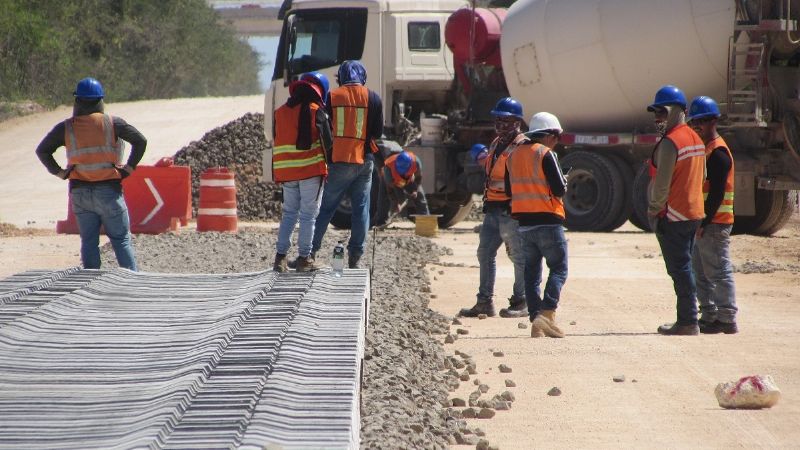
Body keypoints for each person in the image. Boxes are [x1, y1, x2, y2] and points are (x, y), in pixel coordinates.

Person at [35, 77, 146, 271]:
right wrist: (129, 168)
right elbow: (140, 141)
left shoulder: (67, 127)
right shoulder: (113, 123)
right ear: (100, 100)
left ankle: (90, 286)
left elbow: (42, 150)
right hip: (109, 191)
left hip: (80, 193)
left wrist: (60, 173)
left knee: (88, 242)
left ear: (77, 101)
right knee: (120, 240)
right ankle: (132, 283)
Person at [458, 97, 527, 318]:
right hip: (494, 210)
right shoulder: (497, 143)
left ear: (517, 122)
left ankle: (521, 301)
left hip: (511, 211)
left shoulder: (522, 146)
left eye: (506, 121)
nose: (500, 125)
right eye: (498, 120)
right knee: (485, 253)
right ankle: (484, 302)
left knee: (518, 255)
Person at [311, 60, 383, 269]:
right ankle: (355, 256)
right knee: (361, 209)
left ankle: (310, 252)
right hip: (364, 160)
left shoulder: (332, 97)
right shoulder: (374, 98)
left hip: (339, 161)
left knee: (326, 209)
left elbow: (324, 127)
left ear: (341, 77)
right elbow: (377, 133)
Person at [647, 85, 707, 336]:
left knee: (679, 270)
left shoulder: (670, 143)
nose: (658, 118)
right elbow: (703, 176)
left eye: (661, 112)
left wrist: (653, 211)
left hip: (673, 216)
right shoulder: (696, 139)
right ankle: (692, 317)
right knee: (686, 267)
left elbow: (661, 184)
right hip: (693, 213)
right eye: (656, 113)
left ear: (676, 112)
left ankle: (687, 320)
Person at [505, 112, 568, 338]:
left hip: (524, 224)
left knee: (532, 273)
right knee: (559, 269)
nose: (557, 141)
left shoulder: (512, 156)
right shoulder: (545, 154)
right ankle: (547, 313)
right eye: (557, 137)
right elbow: (560, 189)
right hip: (549, 221)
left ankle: (536, 322)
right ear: (549, 135)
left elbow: (509, 190)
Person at [686, 96, 738, 334]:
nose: (697, 127)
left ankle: (726, 319)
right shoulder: (705, 149)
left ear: (713, 122)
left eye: (702, 122)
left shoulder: (718, 153)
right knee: (701, 272)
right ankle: (709, 316)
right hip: (704, 222)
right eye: (694, 122)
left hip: (714, 223)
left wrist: (704, 222)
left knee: (718, 271)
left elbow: (716, 193)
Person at [272, 73, 333, 273]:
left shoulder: (280, 112)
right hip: (310, 172)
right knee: (308, 216)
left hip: (287, 172)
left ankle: (280, 259)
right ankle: (304, 259)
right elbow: (328, 144)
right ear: (318, 92)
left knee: (289, 213)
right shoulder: (317, 112)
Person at [381, 150, 429, 219]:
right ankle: (384, 219)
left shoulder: (416, 162)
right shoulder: (388, 167)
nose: (402, 174)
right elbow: (390, 189)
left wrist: (415, 190)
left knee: (420, 197)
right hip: (395, 182)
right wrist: (396, 202)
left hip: (409, 180)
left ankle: (425, 220)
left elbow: (418, 178)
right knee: (392, 200)